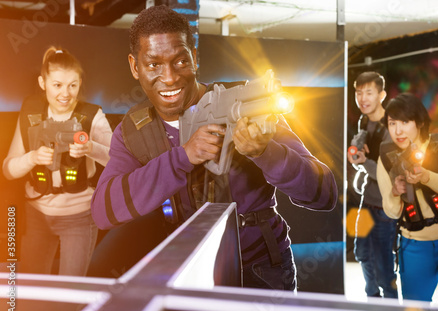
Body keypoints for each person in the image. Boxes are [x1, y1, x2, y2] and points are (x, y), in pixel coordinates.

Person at [90, 5, 337, 290]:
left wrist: (265, 153)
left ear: (194, 58)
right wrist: (182, 157)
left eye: (180, 61)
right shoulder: (134, 130)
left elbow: (324, 194)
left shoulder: (244, 103)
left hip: (258, 268)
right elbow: (103, 210)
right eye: (154, 65)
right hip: (187, 272)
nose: (169, 77)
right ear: (135, 66)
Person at [2, 47, 113, 276]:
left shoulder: (93, 116)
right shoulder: (30, 111)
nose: (66, 93)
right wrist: (31, 158)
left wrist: (90, 148)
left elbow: (118, 159)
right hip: (36, 214)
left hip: (79, 216)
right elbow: (8, 170)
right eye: (57, 85)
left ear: (80, 83)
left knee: (70, 290)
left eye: (73, 85)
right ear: (43, 83)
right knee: (33, 289)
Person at [377, 93, 438, 304]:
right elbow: (392, 211)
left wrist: (425, 176)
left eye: (405, 122)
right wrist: (395, 193)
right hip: (415, 245)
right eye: (392, 123)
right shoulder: (385, 157)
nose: (397, 131)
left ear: (420, 122)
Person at [348, 72, 398, 298]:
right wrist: (356, 148)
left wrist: (365, 161)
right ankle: (372, 296)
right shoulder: (364, 119)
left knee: (384, 263)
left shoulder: (392, 126)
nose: (363, 98)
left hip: (385, 207)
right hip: (366, 201)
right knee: (362, 253)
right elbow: (360, 139)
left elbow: (389, 174)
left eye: (369, 93)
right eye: (359, 93)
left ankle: (389, 304)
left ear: (382, 95)